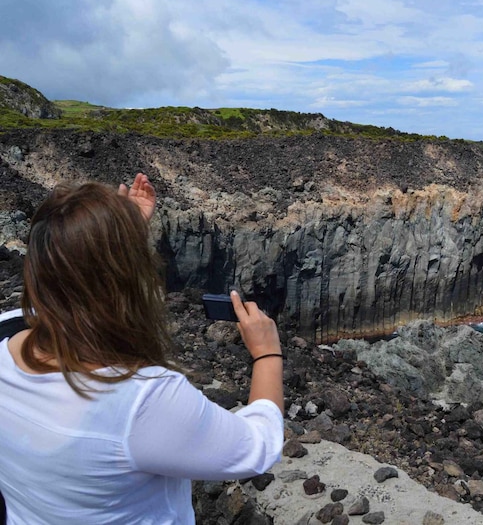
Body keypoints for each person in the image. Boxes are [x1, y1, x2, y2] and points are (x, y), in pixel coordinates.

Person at [0, 174, 284, 524]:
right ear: (128, 278)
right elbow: (259, 446)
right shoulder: (142, 399)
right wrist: (267, 353)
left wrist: (118, 234)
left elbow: (74, 282)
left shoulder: (7, 330)